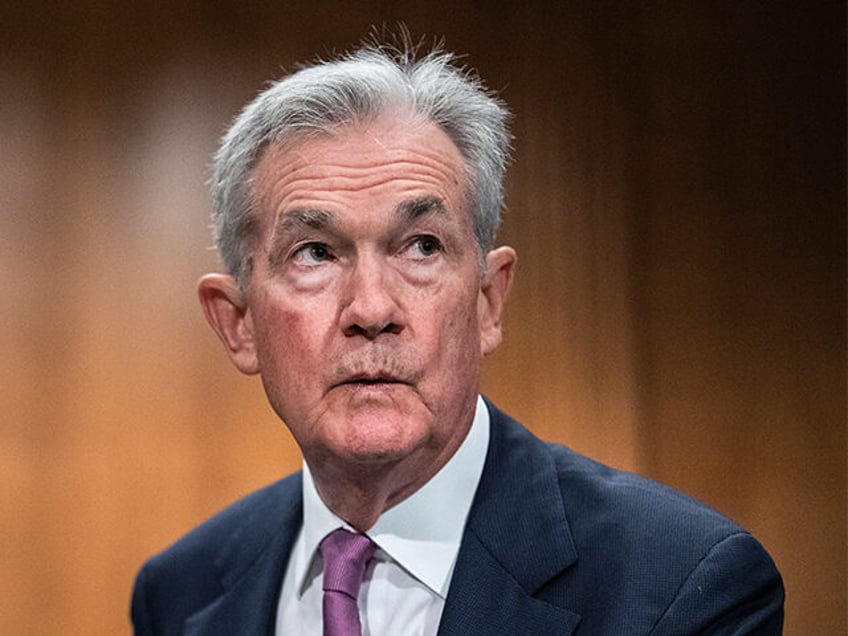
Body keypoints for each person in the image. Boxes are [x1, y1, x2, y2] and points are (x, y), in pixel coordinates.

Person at [131, 36, 784, 635]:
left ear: (488, 301)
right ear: (236, 321)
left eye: (420, 246)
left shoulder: (685, 587)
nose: (371, 307)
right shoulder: (182, 594)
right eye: (315, 253)